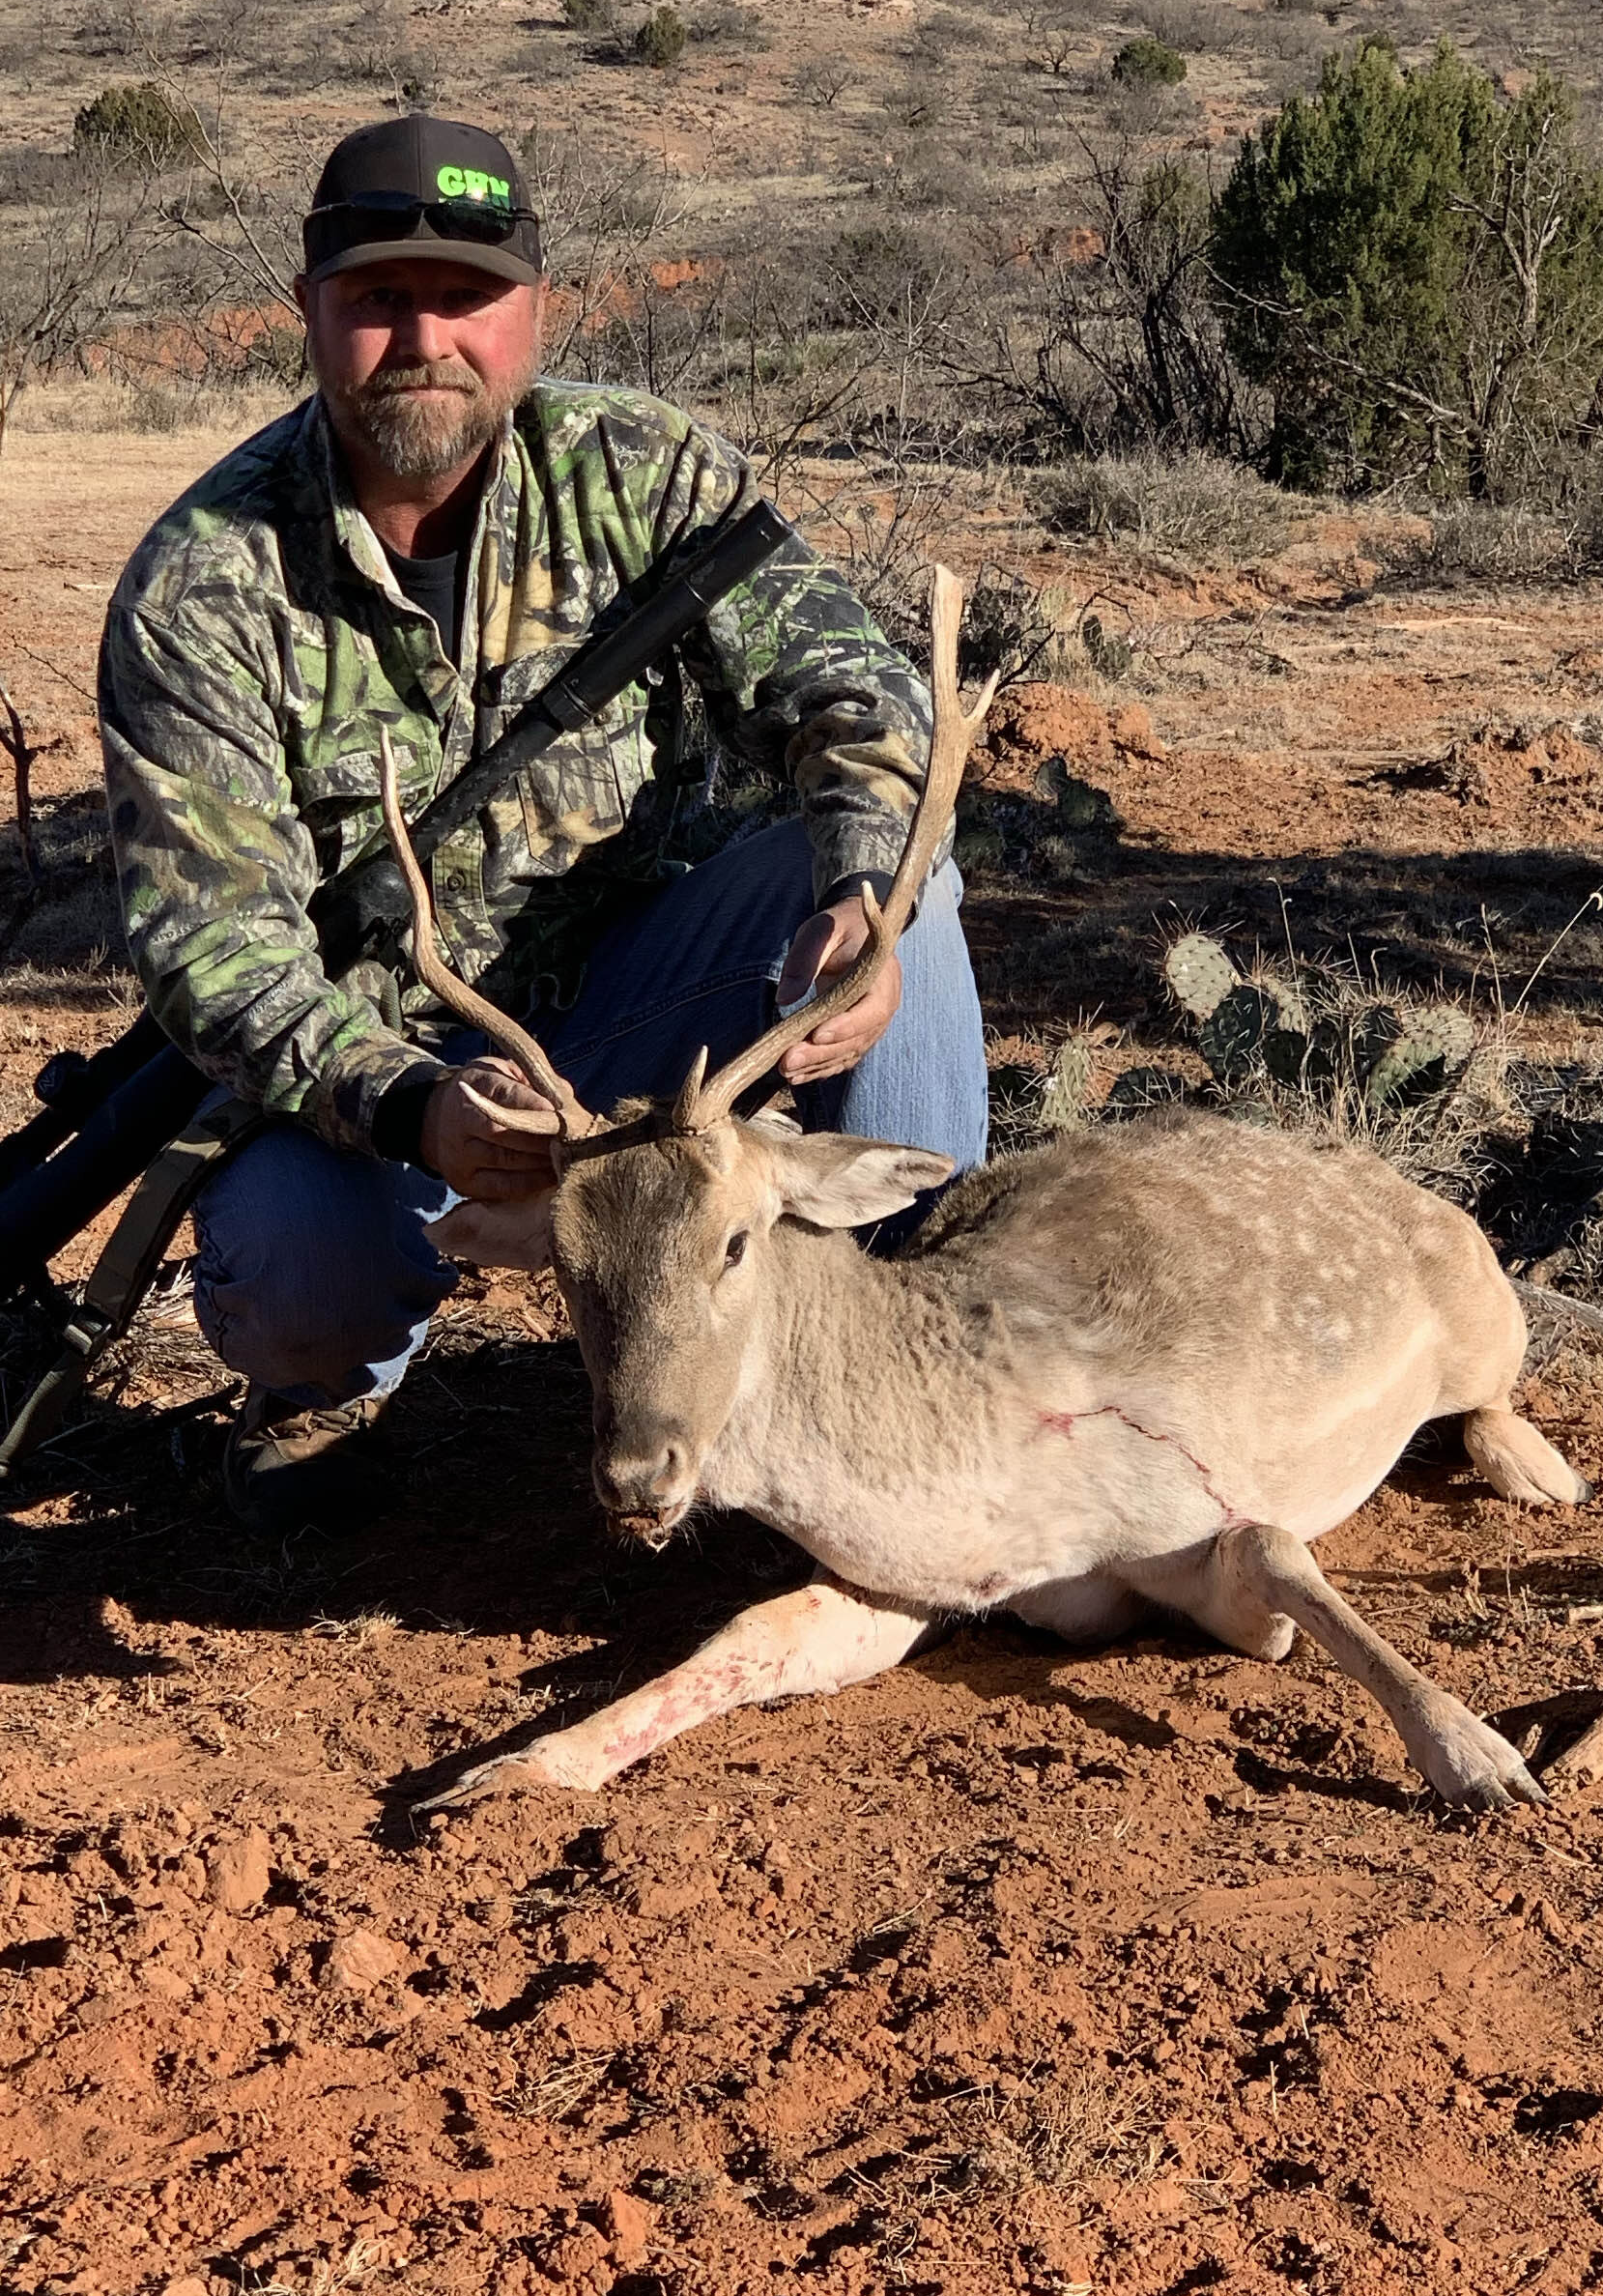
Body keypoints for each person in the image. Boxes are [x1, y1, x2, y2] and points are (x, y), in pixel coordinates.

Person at [99, 110, 989, 1525]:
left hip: (656, 1007)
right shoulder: (207, 580)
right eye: (379, 300)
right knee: (291, 1275)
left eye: (466, 300)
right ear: (310, 316)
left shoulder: (642, 473)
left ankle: (909, 1365)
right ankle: (337, 1392)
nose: (425, 339)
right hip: (392, 1073)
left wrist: (861, 894)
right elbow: (209, 947)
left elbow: (860, 697)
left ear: (534, 313)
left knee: (908, 908)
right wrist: (406, 1102)